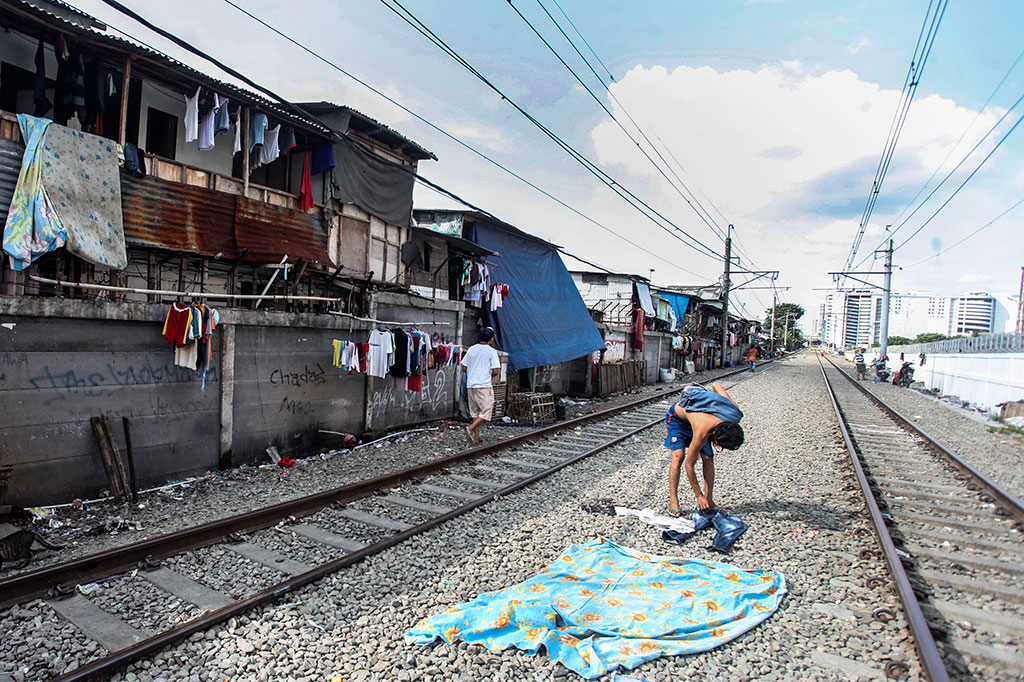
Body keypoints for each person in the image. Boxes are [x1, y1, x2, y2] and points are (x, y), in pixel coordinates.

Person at [665, 382, 744, 515]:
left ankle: (710, 501)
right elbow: (689, 465)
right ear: (714, 436)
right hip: (678, 419)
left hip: (700, 422)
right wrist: (698, 495)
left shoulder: (734, 413)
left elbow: (716, 385)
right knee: (679, 456)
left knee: (708, 458)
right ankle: (673, 500)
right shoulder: (702, 432)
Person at [460, 327, 500, 443]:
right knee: (487, 409)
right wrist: (488, 375)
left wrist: (474, 373)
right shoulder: (492, 352)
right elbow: (496, 370)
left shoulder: (471, 349)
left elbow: (464, 367)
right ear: (491, 339)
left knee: (475, 412)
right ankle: (470, 428)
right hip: (484, 385)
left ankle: (477, 437)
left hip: (471, 385)